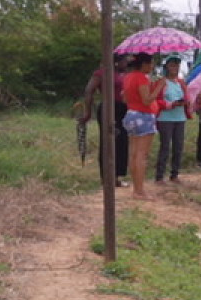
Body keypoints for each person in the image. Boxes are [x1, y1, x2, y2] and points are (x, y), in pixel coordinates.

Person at [79, 54, 130, 188]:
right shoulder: (101, 73)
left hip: (123, 110)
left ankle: (117, 176)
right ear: (116, 62)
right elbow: (89, 91)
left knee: (122, 142)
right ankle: (106, 177)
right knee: (108, 142)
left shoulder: (123, 74)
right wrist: (87, 112)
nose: (127, 63)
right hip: (108, 108)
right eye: (124, 60)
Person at [119, 53, 162, 201]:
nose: (152, 67)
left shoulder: (128, 77)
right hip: (143, 116)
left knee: (134, 153)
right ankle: (139, 190)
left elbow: (125, 97)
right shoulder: (141, 78)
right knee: (142, 155)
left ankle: (136, 188)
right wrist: (158, 88)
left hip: (131, 114)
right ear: (143, 64)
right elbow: (146, 100)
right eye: (150, 64)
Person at [153, 55, 189, 184]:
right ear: (166, 67)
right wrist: (171, 104)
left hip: (180, 117)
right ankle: (159, 176)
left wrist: (186, 103)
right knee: (165, 147)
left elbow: (187, 97)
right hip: (165, 118)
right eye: (172, 65)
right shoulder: (161, 82)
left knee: (178, 147)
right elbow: (157, 100)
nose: (175, 68)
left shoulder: (180, 83)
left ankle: (175, 174)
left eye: (177, 65)